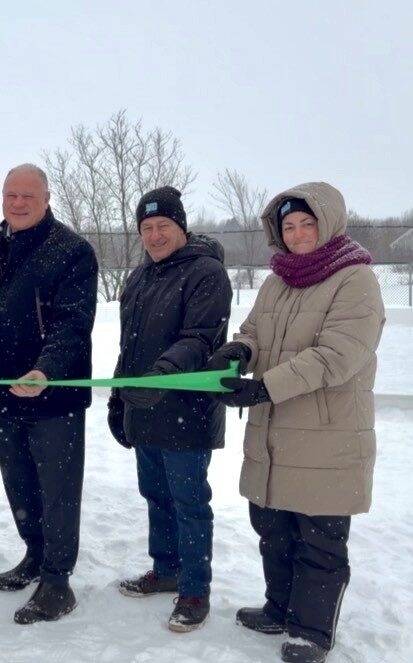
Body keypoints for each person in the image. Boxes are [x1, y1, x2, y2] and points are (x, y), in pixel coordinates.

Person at [206, 182, 383, 663]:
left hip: (327, 435)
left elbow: (336, 356)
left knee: (318, 538)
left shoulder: (355, 280)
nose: (299, 233)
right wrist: (240, 349)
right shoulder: (278, 280)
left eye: (307, 223)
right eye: (289, 226)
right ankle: (279, 608)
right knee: (273, 526)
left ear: (328, 224)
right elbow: (257, 330)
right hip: (275, 432)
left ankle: (311, 632)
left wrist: (264, 387)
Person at [108, 186, 232, 632]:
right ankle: (166, 570)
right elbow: (129, 345)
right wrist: (118, 397)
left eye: (163, 226)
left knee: (189, 502)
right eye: (147, 228)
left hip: (186, 409)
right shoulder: (141, 277)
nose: (155, 235)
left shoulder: (206, 273)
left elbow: (201, 338)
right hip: (144, 408)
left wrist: (162, 374)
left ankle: (195, 589)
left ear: (180, 227)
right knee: (156, 495)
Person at [0, 164, 98, 624]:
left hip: (54, 397)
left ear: (47, 198)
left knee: (58, 490)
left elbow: (73, 323)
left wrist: (45, 369)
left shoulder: (72, 251)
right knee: (20, 485)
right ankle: (34, 553)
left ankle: (57, 580)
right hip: (6, 392)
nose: (19, 203)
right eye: (11, 194)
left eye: (29, 195)